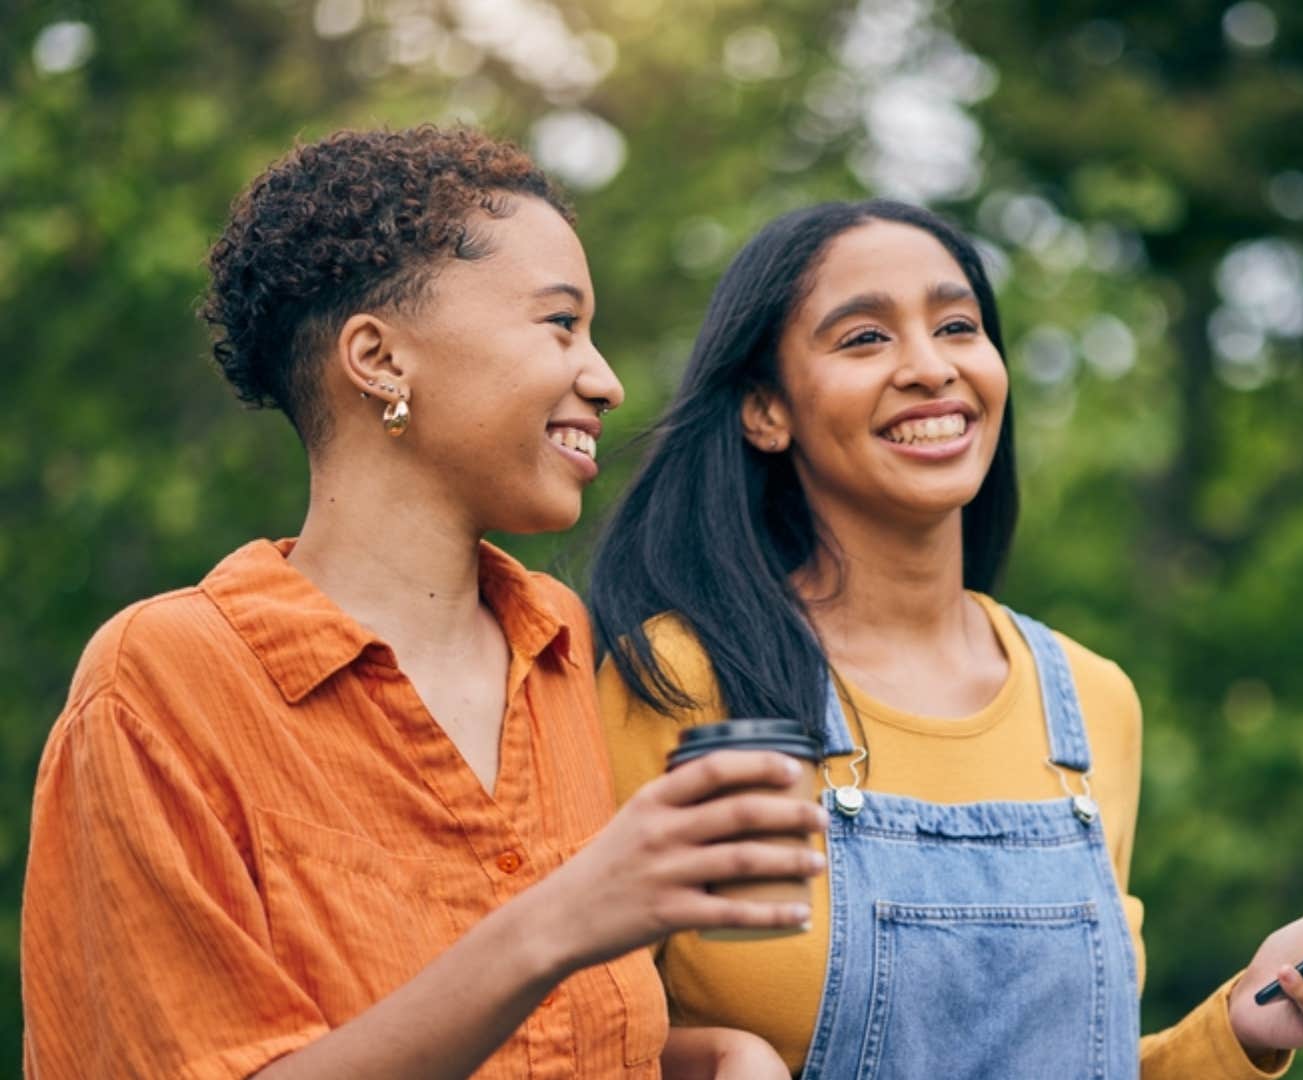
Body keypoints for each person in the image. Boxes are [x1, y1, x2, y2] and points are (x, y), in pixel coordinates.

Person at [588, 199, 1303, 1079]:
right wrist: (710, 1059)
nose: (930, 367)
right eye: (864, 339)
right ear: (765, 410)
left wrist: (1246, 1024)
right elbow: (572, 1035)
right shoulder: (696, 683)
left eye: (957, 325)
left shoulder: (1086, 701)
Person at [20, 126, 817, 1080]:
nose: (604, 380)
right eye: (560, 323)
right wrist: (556, 923)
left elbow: (550, 1047)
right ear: (379, 359)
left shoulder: (558, 642)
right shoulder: (161, 680)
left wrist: (717, 1057)